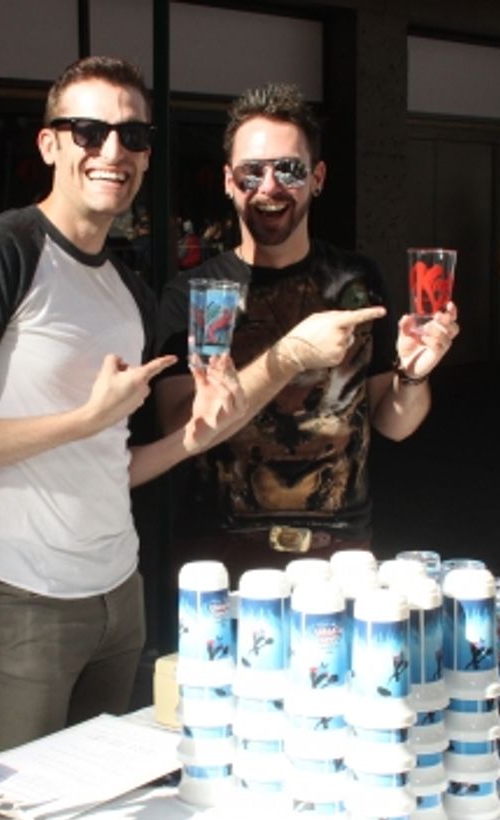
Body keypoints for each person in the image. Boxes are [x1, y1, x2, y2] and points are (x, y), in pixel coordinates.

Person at [0, 56, 241, 757]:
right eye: (88, 130)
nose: (112, 150)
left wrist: (198, 436)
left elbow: (109, 463)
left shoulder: (129, 290)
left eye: (133, 135)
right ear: (50, 143)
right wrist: (82, 419)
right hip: (17, 598)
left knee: (98, 815)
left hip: (118, 595)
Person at [154, 82, 460, 575]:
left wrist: (414, 375)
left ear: (317, 178)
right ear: (229, 182)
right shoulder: (195, 292)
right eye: (252, 172)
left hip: (340, 549)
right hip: (220, 553)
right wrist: (289, 357)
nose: (270, 187)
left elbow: (393, 424)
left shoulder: (356, 282)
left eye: (289, 169)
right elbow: (177, 426)